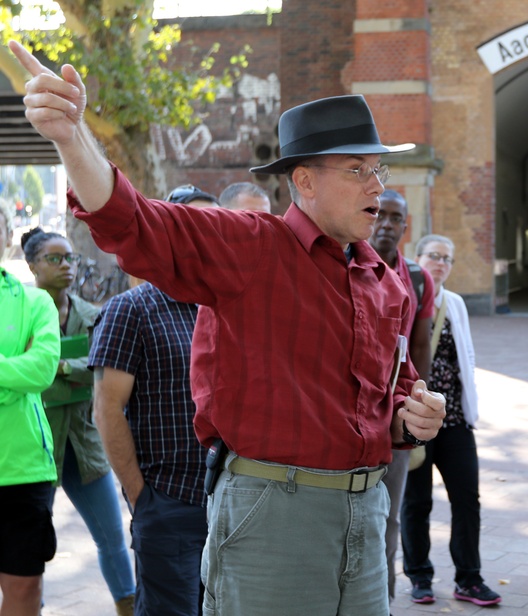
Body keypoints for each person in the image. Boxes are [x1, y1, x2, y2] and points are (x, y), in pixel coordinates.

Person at [10, 40, 446, 616]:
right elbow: (133, 222)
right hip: (273, 512)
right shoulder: (251, 244)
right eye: (358, 169)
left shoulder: (383, 280)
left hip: (366, 515)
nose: (377, 185)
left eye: (378, 168)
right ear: (305, 183)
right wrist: (71, 136)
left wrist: (417, 417)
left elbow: (392, 399)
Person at [90, 187, 218, 616]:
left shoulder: (229, 309)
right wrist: (141, 497)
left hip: (237, 501)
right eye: (195, 226)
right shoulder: (132, 310)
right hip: (169, 504)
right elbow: (107, 410)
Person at [23, 227, 136, 616]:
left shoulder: (93, 314)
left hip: (85, 447)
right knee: (29, 545)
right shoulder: (19, 315)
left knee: (113, 538)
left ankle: (129, 606)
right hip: (36, 448)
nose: (66, 266)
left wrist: (56, 368)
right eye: (54, 259)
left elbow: (104, 369)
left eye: (70, 258)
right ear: (32, 265)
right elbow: (25, 376)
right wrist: (68, 370)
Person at [401, 233, 502, 607]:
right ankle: (419, 577)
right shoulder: (402, 295)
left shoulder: (455, 303)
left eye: (448, 258)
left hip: (455, 416)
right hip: (413, 417)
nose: (440, 263)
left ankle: (469, 578)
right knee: (417, 502)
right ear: (418, 259)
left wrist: (470, 406)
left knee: (467, 498)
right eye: (434, 256)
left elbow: (467, 357)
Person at [368, 189, 434, 603]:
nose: (386, 224)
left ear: (405, 227)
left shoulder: (416, 278)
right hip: (347, 413)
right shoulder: (343, 264)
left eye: (396, 218)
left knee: (388, 518)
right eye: (379, 214)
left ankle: (382, 603)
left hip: (393, 416)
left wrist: (416, 406)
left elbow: (422, 345)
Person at [0, 203, 60, 616]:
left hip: (24, 469)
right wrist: (10, 374)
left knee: (23, 590)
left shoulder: (36, 303)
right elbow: (24, 372)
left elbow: (41, 370)